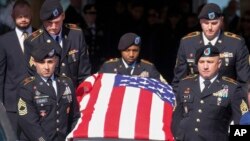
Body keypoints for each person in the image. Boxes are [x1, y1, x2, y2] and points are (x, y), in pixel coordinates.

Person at [171, 45, 247, 141]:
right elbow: (177, 117)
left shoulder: (232, 88)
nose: (205, 66)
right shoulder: (185, 84)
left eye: (210, 62)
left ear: (219, 63)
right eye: (201, 62)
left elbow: (242, 122)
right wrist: (179, 135)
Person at [172, 3, 250, 94]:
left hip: (225, 101)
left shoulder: (235, 43)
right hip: (194, 102)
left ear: (221, 21)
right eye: (206, 23)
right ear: (200, 21)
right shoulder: (187, 43)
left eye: (214, 23)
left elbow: (245, 82)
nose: (209, 27)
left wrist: (238, 105)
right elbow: (178, 81)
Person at [17, 41, 80, 141]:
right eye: (42, 62)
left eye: (50, 62)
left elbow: (75, 116)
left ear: (55, 61)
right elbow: (28, 123)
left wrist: (71, 137)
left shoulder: (66, 83)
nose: (46, 67)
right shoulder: (27, 87)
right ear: (34, 63)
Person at [24, 0, 91, 87]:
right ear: (43, 20)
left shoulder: (75, 35)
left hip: (74, 95)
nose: (54, 27)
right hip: (48, 97)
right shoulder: (33, 42)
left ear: (63, 16)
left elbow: (84, 74)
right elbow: (33, 79)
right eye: (49, 23)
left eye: (57, 22)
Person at [0, 0, 34, 136]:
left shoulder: (41, 37)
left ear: (31, 16)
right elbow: (1, 73)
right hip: (12, 104)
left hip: (36, 102)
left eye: (26, 16)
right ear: (13, 17)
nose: (24, 19)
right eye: (20, 17)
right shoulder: (4, 41)